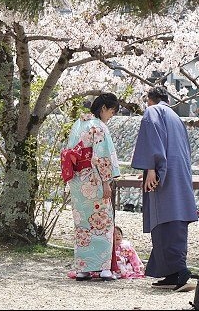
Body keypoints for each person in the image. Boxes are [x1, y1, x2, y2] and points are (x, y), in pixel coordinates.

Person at [131, 86, 198, 292]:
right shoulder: (175, 117)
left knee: (164, 221)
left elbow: (152, 138)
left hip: (164, 174)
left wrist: (151, 168)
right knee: (175, 221)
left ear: (150, 99)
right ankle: (171, 274)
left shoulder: (153, 111)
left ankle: (180, 272)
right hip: (179, 174)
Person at [63, 93, 121, 282]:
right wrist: (106, 182)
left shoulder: (78, 124)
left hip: (77, 180)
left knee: (82, 224)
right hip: (94, 179)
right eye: (111, 111)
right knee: (103, 221)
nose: (111, 116)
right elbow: (102, 156)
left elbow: (70, 151)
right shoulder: (99, 126)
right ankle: (103, 268)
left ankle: (83, 269)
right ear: (103, 108)